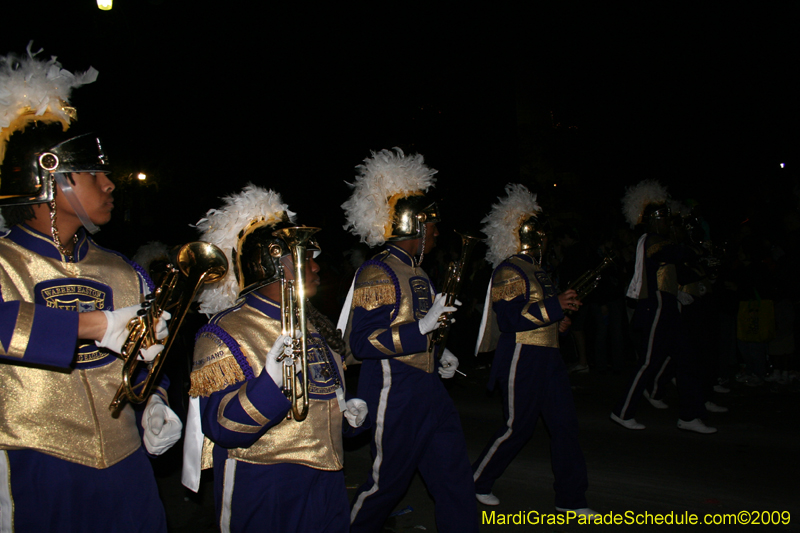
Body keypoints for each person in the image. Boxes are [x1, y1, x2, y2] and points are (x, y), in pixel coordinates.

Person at [0, 44, 180, 532]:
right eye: (95, 172)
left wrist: (155, 401)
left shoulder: (123, 271)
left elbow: (146, 359)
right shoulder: (3, 261)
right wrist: (94, 324)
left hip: (125, 465)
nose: (110, 184)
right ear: (51, 176)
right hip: (33, 462)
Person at [182, 184, 368, 533]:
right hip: (264, 483)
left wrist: (346, 414)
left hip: (328, 478)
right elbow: (221, 427)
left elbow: (319, 396)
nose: (315, 267)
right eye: (305, 257)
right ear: (273, 262)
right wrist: (270, 386)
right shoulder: (225, 330)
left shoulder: (311, 321)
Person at [338, 148, 478, 533]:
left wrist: (439, 348)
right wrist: (422, 331)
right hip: (393, 390)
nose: (436, 231)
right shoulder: (377, 271)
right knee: (386, 486)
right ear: (412, 225)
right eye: (430, 224)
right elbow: (364, 343)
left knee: (454, 479)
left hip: (427, 388)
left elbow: (417, 324)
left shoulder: (415, 270)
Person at [472, 183, 595, 515]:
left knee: (565, 427)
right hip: (522, 357)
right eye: (536, 231)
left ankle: (570, 500)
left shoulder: (539, 271)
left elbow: (540, 314)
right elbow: (511, 319)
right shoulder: (509, 269)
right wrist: (555, 309)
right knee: (517, 427)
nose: (542, 237)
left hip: (549, 358)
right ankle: (476, 483)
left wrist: (558, 323)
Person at [611, 179, 715, 434]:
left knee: (686, 359)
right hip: (655, 307)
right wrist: (695, 252)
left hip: (667, 307)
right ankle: (622, 411)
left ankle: (690, 416)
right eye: (665, 218)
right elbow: (671, 255)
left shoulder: (660, 241)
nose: (669, 223)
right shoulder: (651, 239)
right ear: (655, 220)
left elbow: (675, 270)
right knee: (647, 362)